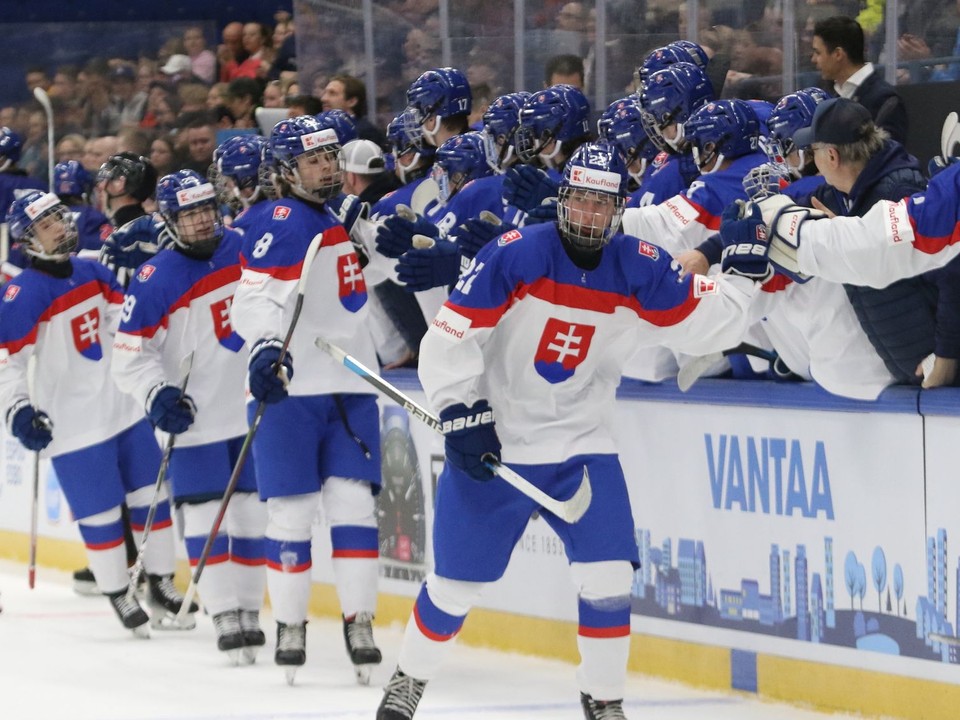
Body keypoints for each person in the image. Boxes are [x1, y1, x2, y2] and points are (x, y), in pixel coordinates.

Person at [375, 141, 763, 720]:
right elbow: (451, 335)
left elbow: (706, 322)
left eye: (600, 204)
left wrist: (745, 276)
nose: (587, 215)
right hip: (499, 440)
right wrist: (460, 411)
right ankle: (408, 680)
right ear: (562, 202)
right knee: (457, 586)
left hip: (583, 443)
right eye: (578, 200)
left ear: (617, 208)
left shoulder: (641, 264)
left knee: (607, 576)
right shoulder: (514, 254)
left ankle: (603, 698)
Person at [229, 115, 384, 685]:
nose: (326, 166)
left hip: (349, 386)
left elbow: (355, 288)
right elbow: (254, 298)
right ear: (287, 169)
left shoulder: (339, 216)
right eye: (314, 159)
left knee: (354, 507)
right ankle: (290, 625)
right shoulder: (283, 220)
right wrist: (268, 348)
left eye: (330, 156)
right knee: (291, 513)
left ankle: (359, 621)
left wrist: (391, 249)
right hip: (292, 389)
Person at [0, 190, 196, 636]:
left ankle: (161, 581)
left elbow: (123, 326)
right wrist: (17, 409)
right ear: (27, 239)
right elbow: (6, 363)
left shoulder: (93, 269)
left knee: (153, 498)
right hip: (73, 425)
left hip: (123, 409)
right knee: (101, 510)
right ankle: (118, 590)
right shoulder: (21, 293)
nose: (63, 228)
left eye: (61, 218)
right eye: (48, 224)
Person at [112, 169, 267, 662]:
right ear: (168, 219)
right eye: (190, 214)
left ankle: (248, 611)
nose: (203, 222)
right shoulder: (155, 276)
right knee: (203, 515)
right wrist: (156, 393)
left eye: (206, 210)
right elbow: (130, 354)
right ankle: (222, 610)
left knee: (251, 516)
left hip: (250, 408)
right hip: (194, 417)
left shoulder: (245, 246)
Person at [765, 98, 955, 387]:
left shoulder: (899, 191)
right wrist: (711, 249)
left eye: (812, 150)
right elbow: (783, 211)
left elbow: (952, 273)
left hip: (941, 378)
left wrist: (947, 356)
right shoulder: (838, 194)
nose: (811, 160)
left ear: (831, 156)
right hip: (909, 374)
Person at [810, 15, 908, 145]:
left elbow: (888, 158)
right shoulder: (827, 95)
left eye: (818, 53)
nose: (813, 59)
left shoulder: (885, 100)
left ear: (838, 54)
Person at [320, 74, 388, 148]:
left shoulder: (366, 132)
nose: (324, 99)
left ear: (352, 101)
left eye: (332, 93)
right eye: (325, 93)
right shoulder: (322, 128)